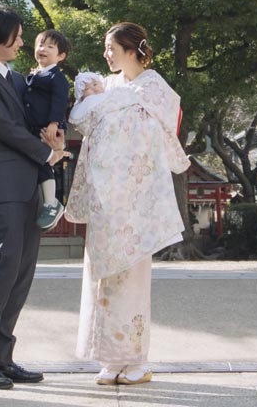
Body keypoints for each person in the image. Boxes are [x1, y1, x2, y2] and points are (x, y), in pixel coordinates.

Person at [65, 21, 189, 387]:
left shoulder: (153, 86)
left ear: (133, 49)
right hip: (107, 197)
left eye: (111, 48)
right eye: (106, 48)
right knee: (101, 277)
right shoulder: (112, 85)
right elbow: (82, 117)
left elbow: (155, 133)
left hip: (135, 200)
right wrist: (94, 97)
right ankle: (108, 359)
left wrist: (103, 102)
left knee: (132, 279)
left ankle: (136, 359)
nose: (106, 54)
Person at [0, 5, 68, 391]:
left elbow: (43, 113)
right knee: (4, 269)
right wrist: (48, 154)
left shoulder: (19, 79)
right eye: (18, 36)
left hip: (29, 187)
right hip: (3, 186)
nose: (24, 42)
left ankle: (3, 358)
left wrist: (57, 134)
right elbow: (6, 129)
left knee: (22, 274)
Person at [23, 28, 74, 229]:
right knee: (40, 163)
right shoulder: (33, 74)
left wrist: (54, 123)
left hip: (48, 128)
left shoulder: (57, 78)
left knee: (44, 163)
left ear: (61, 56)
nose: (42, 49)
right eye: (40, 45)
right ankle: (48, 202)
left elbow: (60, 101)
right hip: (33, 127)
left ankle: (52, 203)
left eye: (49, 46)